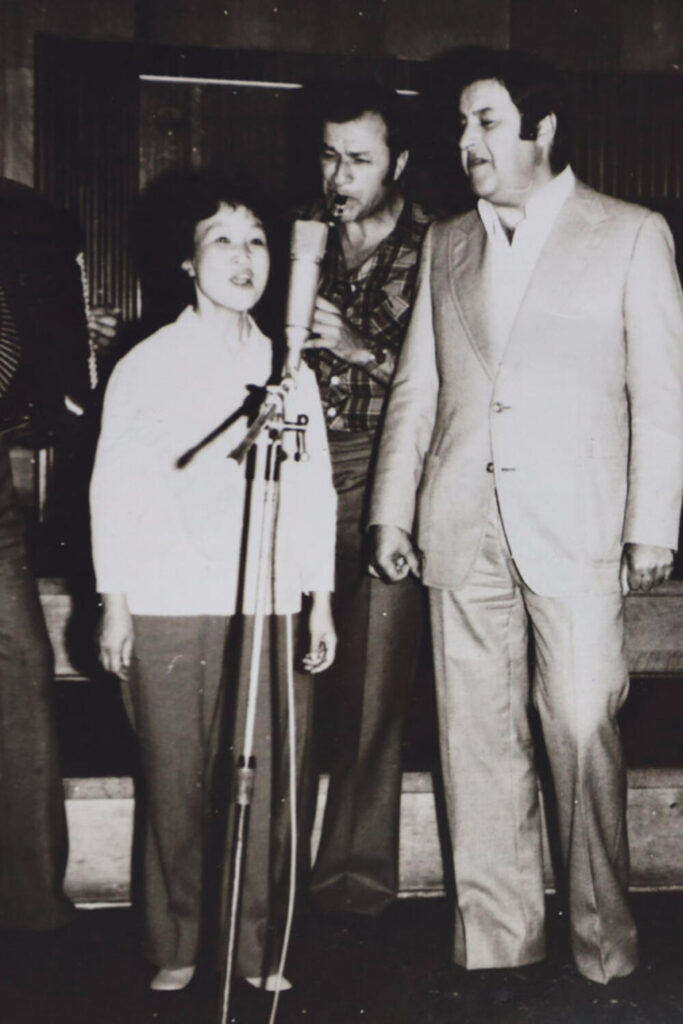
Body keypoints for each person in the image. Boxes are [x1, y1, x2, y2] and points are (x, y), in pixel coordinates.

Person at [369, 49, 683, 985]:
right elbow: (416, 390)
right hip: (458, 521)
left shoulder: (629, 233)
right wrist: (390, 510)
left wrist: (652, 521)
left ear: (541, 129)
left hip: (577, 523)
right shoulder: (446, 242)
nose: (466, 142)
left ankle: (602, 944)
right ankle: (498, 945)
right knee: (473, 739)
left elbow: (662, 392)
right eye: (461, 126)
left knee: (581, 724)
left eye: (487, 122)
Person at [90, 179, 337, 992]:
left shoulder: (290, 370)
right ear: (188, 262)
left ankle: (257, 947)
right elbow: (113, 489)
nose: (243, 256)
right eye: (222, 239)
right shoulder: (146, 364)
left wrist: (319, 598)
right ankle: (177, 942)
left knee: (265, 786)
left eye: (257, 239)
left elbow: (313, 490)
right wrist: (116, 602)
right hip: (167, 599)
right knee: (176, 781)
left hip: (266, 601)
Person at [291, 81, 433, 920]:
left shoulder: (442, 246)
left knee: (374, 693)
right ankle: (266, 867)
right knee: (286, 679)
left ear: (399, 163)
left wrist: (359, 349)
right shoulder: (296, 237)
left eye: (358, 160)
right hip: (299, 474)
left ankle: (351, 885)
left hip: (390, 477)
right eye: (327, 156)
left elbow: (451, 385)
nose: (338, 176)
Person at [0, 178, 112, 937]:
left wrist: (66, 343)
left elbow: (27, 361)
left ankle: (33, 906)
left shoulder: (24, 217)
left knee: (21, 668)